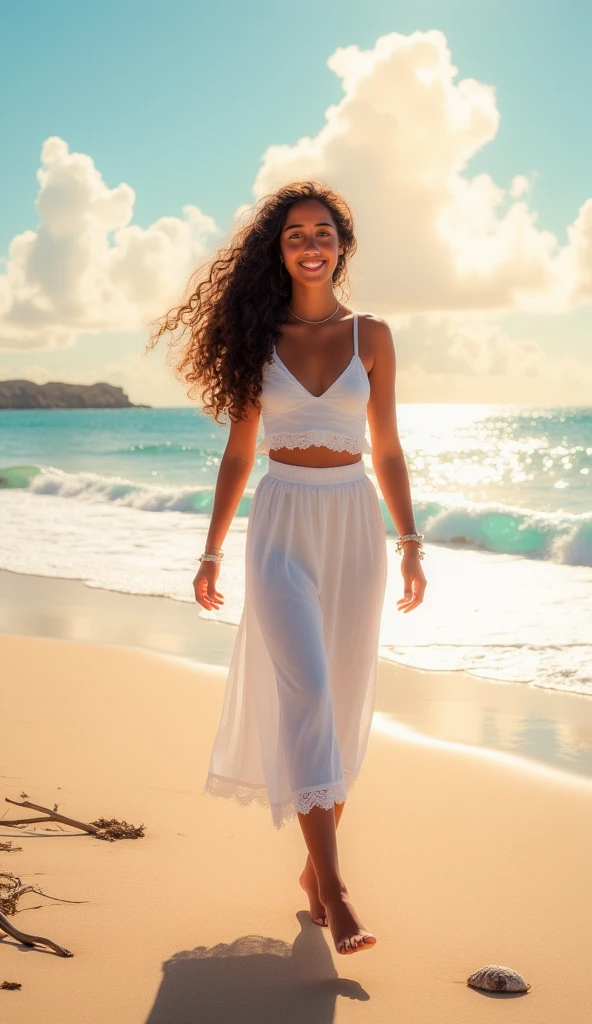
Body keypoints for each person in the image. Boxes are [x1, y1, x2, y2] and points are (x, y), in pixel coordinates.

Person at [148, 180, 427, 956]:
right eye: (297, 233)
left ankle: (312, 872)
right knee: (305, 690)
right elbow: (239, 452)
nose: (312, 243)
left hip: (353, 522)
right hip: (280, 524)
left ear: (342, 246)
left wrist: (411, 544)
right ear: (280, 249)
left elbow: (390, 446)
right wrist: (209, 550)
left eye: (325, 232)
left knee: (340, 705)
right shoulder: (256, 336)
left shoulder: (372, 335)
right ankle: (337, 893)